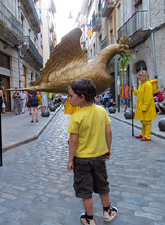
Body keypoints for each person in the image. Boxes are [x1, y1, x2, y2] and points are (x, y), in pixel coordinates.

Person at [67, 79, 117, 225]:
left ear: (81, 97)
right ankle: (107, 212)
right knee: (102, 185)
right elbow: (108, 132)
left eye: (71, 96)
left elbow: (73, 141)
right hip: (99, 157)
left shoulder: (76, 117)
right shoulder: (101, 110)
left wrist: (70, 160)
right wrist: (108, 148)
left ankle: (89, 219)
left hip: (81, 159)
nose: (69, 99)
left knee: (85, 190)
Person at [133, 70, 157, 141]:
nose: (138, 77)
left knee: (147, 122)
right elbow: (139, 94)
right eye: (138, 75)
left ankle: (148, 136)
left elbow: (148, 97)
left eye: (140, 75)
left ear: (144, 76)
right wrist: (134, 90)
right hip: (141, 106)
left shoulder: (147, 84)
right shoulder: (141, 84)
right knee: (143, 121)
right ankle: (143, 134)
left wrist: (145, 107)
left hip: (147, 107)